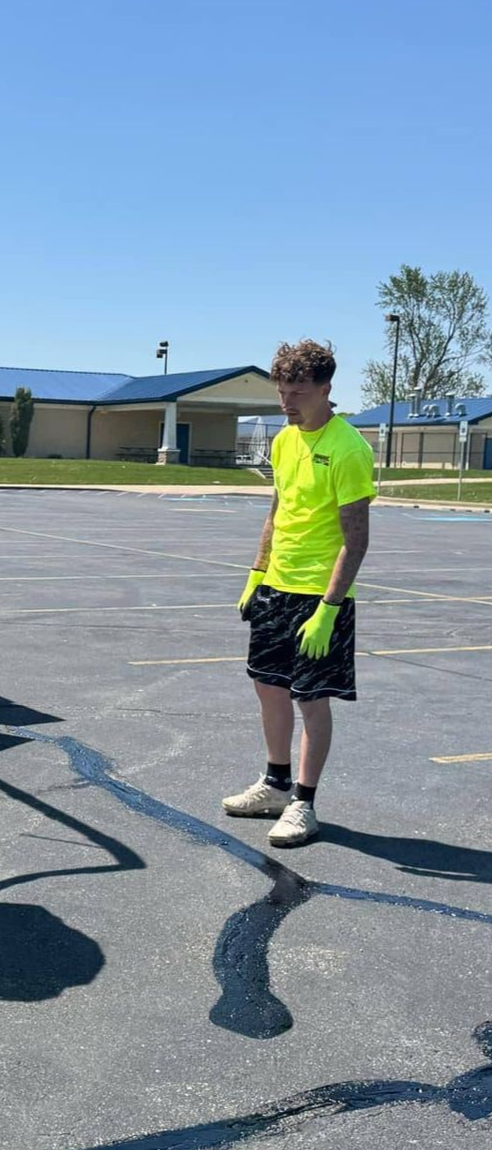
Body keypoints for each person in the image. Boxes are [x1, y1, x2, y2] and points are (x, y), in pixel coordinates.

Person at [223, 340, 375, 846]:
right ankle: (274, 783)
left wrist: (329, 610)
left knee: (312, 699)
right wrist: (256, 573)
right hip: (276, 588)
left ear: (327, 389)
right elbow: (277, 510)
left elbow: (356, 538)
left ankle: (304, 804)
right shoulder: (285, 440)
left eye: (298, 393)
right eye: (282, 392)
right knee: (268, 687)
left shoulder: (350, 448)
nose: (287, 402)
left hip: (319, 597)